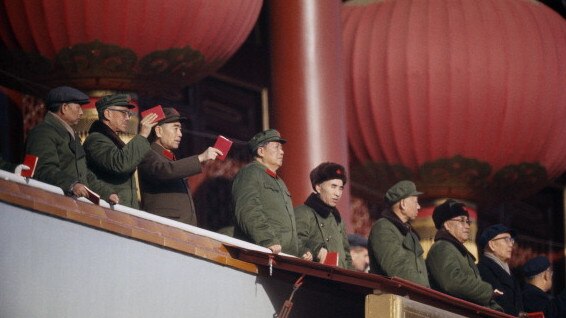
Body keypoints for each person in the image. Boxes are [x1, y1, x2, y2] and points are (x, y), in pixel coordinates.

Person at [25, 86, 118, 204]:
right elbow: (43, 169)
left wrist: (107, 193)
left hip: (74, 204)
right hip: (53, 203)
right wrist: (72, 185)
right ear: (64, 108)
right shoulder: (43, 133)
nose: (81, 112)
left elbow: (84, 173)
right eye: (78, 107)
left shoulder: (71, 135)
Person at [138, 107, 221, 225]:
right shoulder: (147, 153)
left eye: (180, 129)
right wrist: (200, 158)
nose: (180, 134)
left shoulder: (169, 157)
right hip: (163, 226)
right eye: (176, 128)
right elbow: (165, 170)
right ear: (158, 131)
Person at [232, 129, 299, 256]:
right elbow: (248, 209)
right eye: (277, 147)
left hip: (285, 257)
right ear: (261, 151)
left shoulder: (279, 181)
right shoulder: (250, 173)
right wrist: (267, 239)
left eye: (281, 148)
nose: (282, 152)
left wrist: (301, 250)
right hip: (264, 253)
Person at [426, 199, 503, 311]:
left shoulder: (461, 253)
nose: (467, 226)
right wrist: (488, 291)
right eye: (462, 221)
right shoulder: (441, 248)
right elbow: (451, 282)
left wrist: (496, 309)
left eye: (468, 221)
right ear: (447, 225)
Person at [83, 94, 158, 209]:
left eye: (129, 114)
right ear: (108, 114)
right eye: (124, 113)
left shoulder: (112, 141)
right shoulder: (96, 140)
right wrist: (142, 135)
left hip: (122, 209)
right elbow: (121, 164)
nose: (128, 118)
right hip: (108, 210)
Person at [367, 180, 429, 287]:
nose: (418, 206)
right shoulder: (383, 228)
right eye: (415, 202)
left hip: (413, 296)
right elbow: (397, 267)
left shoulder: (408, 231)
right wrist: (426, 290)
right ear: (403, 204)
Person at [295, 162, 352, 268]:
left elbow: (346, 256)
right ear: (318, 187)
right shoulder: (303, 213)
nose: (337, 193)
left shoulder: (337, 218)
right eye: (333, 186)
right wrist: (317, 250)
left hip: (340, 280)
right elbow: (294, 241)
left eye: (341, 188)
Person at [477, 224, 523, 315]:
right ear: (492, 244)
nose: (511, 245)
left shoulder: (511, 274)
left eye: (512, 240)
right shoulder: (482, 269)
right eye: (506, 240)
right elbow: (500, 303)